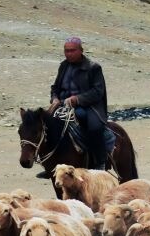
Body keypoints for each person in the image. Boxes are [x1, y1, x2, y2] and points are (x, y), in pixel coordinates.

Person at [47, 36, 115, 171]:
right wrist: (54, 98)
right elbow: (56, 87)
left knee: (94, 128)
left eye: (72, 51)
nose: (69, 54)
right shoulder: (64, 66)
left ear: (81, 50)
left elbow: (97, 92)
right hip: (63, 106)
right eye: (66, 51)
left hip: (89, 107)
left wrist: (77, 99)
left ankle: (99, 161)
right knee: (45, 126)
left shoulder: (93, 68)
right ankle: (51, 163)